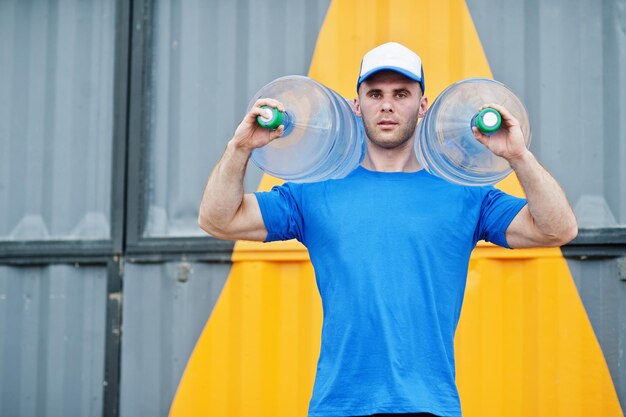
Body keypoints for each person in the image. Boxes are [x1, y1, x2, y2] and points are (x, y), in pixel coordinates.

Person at [198, 42, 578, 417]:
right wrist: (240, 148)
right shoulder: (314, 190)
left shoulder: (465, 194)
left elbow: (556, 229)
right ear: (356, 105)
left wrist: (518, 156)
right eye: (375, 93)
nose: (387, 105)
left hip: (430, 405)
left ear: (423, 106)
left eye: (402, 93)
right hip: (339, 406)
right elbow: (219, 219)